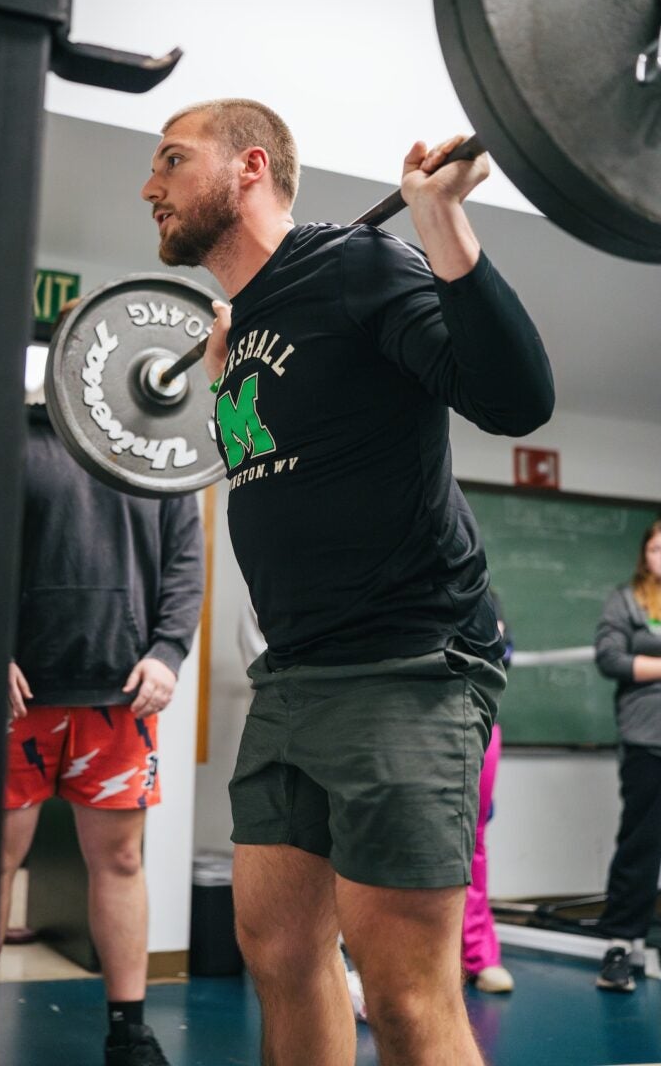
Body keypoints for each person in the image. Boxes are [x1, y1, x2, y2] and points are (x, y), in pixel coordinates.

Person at [141, 98, 554, 1065]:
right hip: (295, 674)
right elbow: (281, 471)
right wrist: (223, 374)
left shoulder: (359, 264)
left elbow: (515, 399)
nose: (149, 185)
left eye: (170, 160)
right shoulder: (241, 332)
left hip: (407, 663)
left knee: (407, 996)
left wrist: (442, 219)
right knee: (279, 952)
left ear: (248, 167)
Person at [0, 396, 205, 1066]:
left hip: (120, 696)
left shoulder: (159, 452)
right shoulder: (14, 441)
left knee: (118, 861)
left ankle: (129, 1032)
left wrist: (169, 651)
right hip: (16, 696)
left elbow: (183, 563)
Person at [593, 519, 661, 993]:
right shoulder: (627, 600)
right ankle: (620, 944)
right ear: (645, 554)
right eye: (658, 547)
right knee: (640, 844)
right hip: (647, 741)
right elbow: (610, 658)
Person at [462, 593, 514, 994]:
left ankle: (479, 955)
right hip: (410, 722)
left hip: (478, 721)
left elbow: (503, 652)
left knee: (473, 841)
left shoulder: (482, 593)